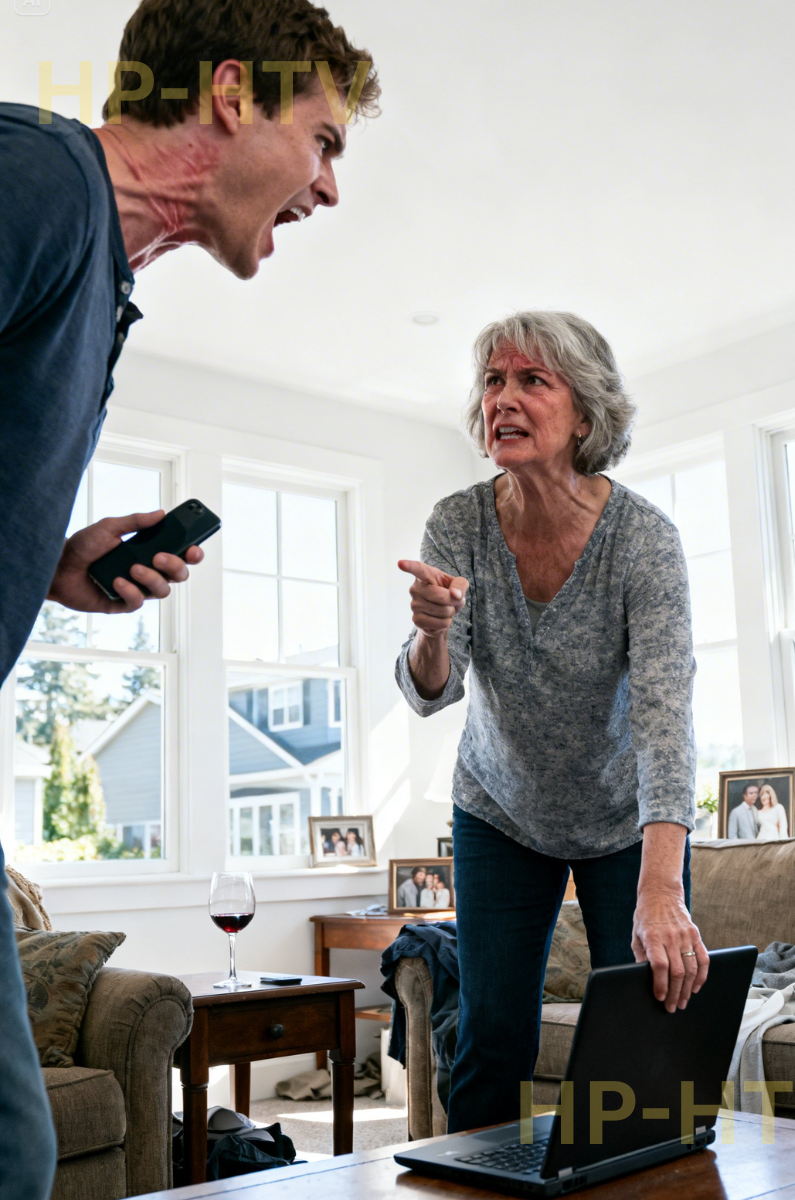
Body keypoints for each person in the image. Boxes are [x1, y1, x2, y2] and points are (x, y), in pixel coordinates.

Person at [0, 5, 380, 1197]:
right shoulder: (38, 178)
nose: (327, 190)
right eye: (322, 140)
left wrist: (46, 561)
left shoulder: (98, 285)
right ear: (231, 94)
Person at [395, 311, 709, 1134]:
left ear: (586, 411)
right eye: (494, 380)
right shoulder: (459, 523)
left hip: (619, 821)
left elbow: (666, 716)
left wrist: (660, 888)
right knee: (493, 1035)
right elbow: (434, 691)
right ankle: (472, 1190)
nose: (505, 398)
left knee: (643, 1036)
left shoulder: (643, 541)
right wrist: (431, 630)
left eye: (533, 380)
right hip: (500, 811)